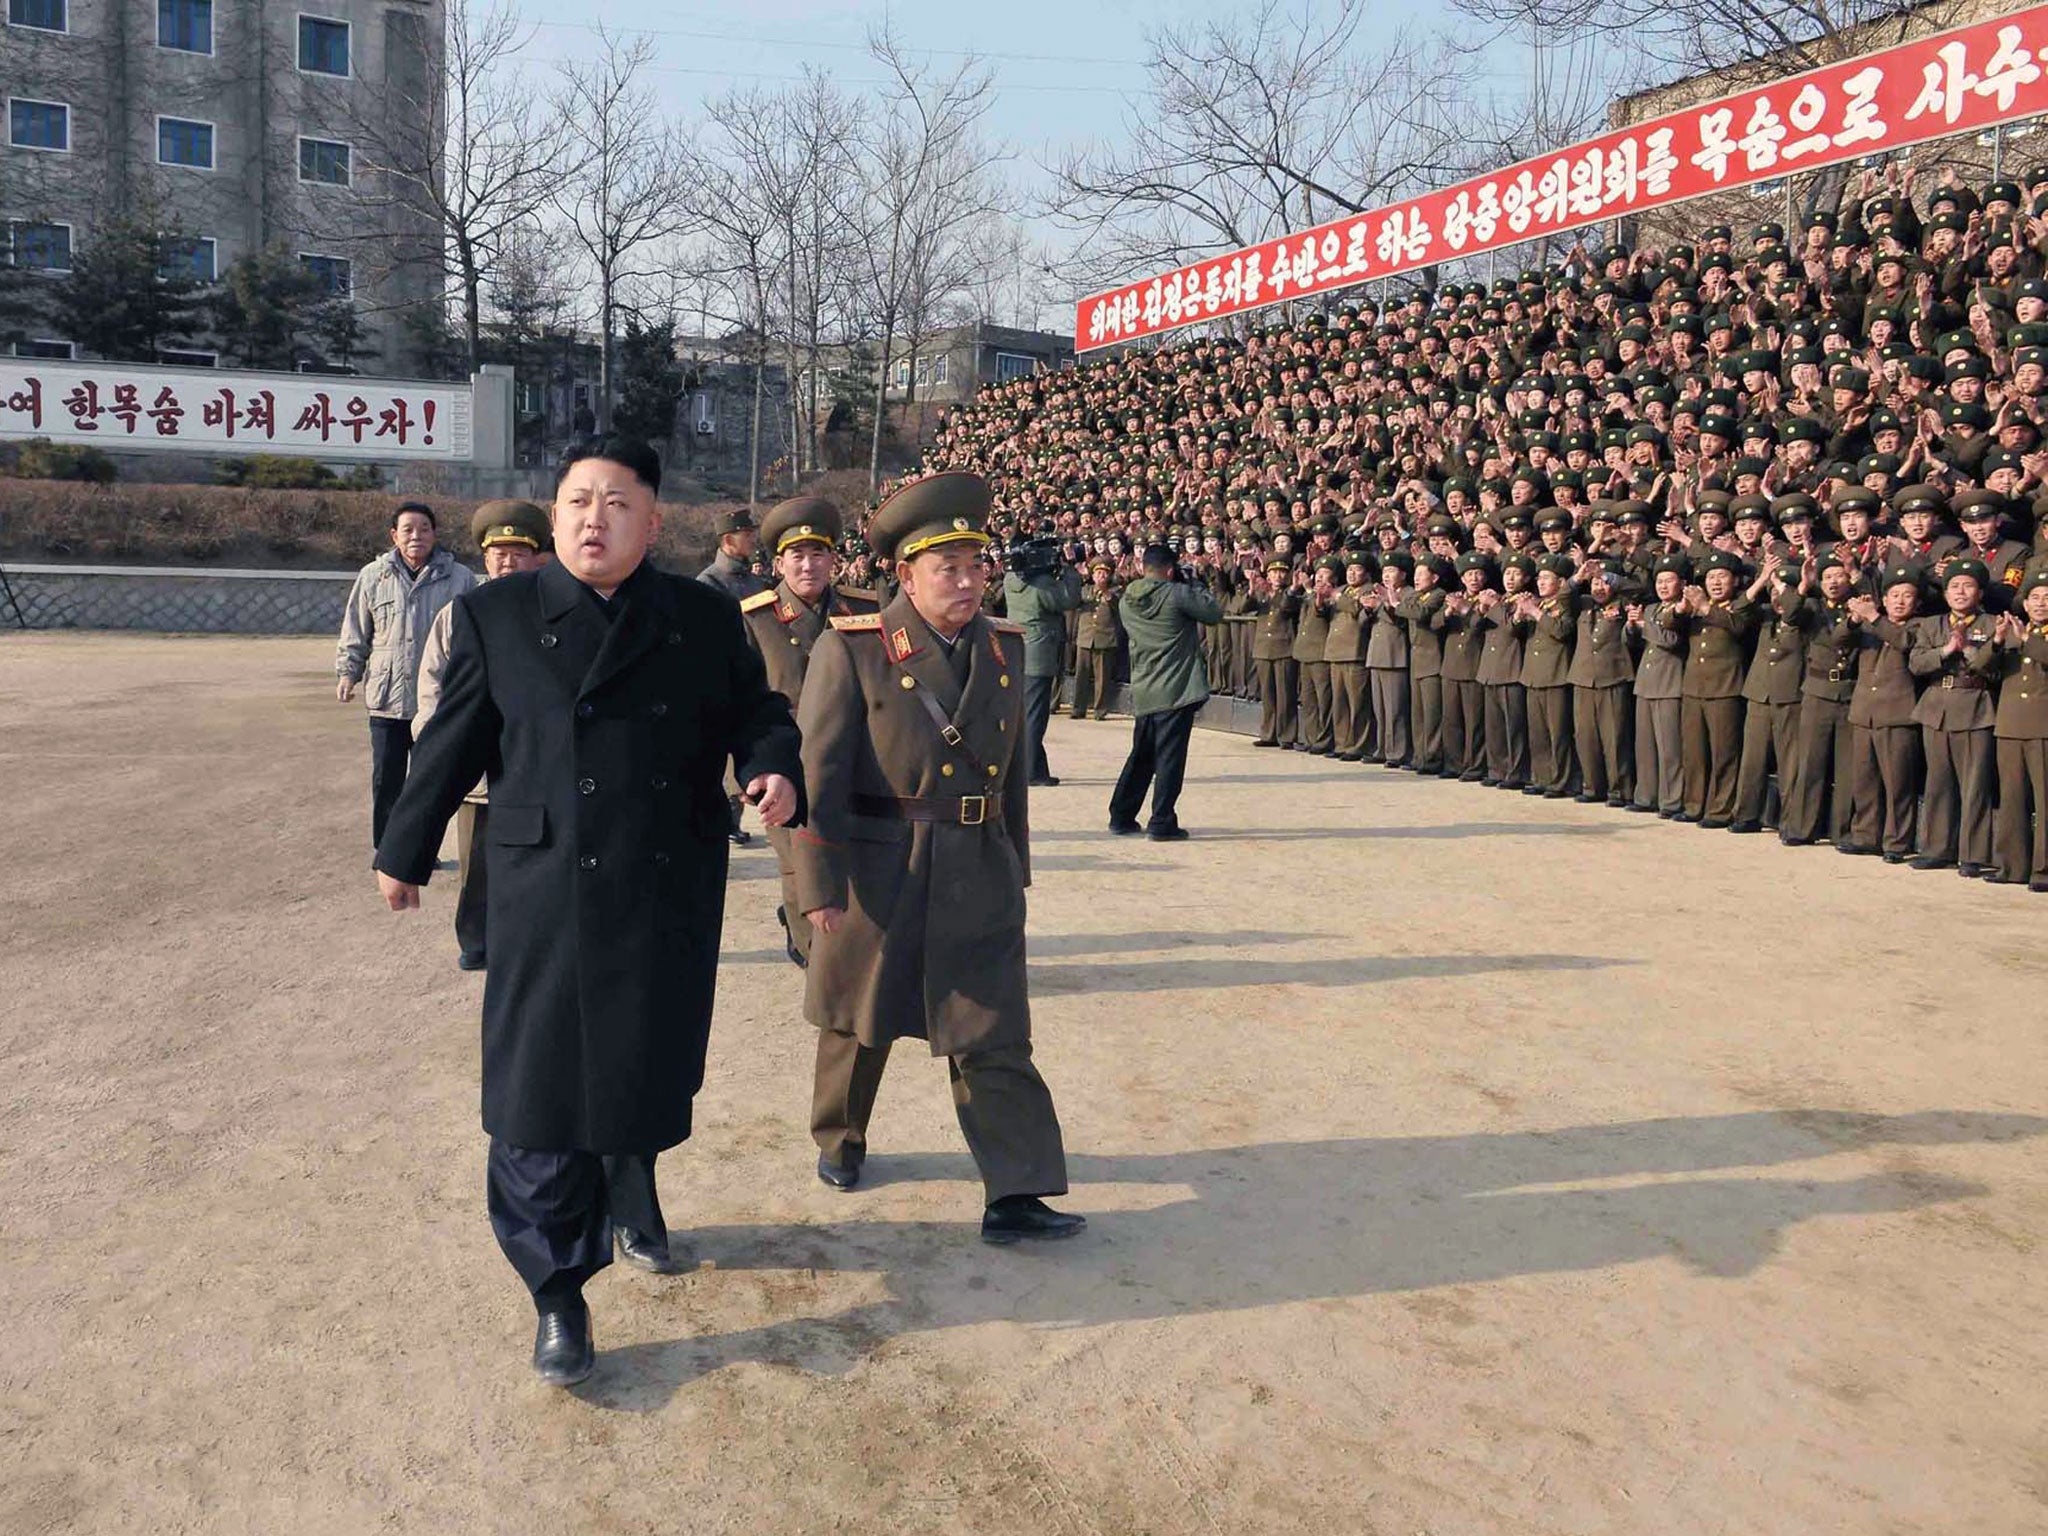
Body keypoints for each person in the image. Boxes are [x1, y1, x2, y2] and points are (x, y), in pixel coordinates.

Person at [372, 435, 803, 1387]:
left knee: (647, 1059)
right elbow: (450, 742)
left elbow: (757, 713)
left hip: (664, 881)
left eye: (615, 502)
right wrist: (404, 847)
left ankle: (632, 1174)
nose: (592, 518)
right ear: (554, 513)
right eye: (576, 500)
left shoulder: (701, 615)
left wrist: (773, 765)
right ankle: (558, 1292)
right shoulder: (498, 614)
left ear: (652, 522)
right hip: (543, 888)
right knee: (538, 1092)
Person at [792, 471, 1082, 1244]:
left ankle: (1015, 1193)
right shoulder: (851, 649)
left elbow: (1015, 771)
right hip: (881, 867)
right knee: (860, 1021)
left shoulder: (1004, 647)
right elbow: (818, 773)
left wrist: (1014, 865)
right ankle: (840, 1139)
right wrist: (816, 883)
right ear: (905, 574)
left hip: (974, 866)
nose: (966, 580)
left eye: (975, 565)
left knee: (993, 1030)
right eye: (946, 567)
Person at [737, 494, 880, 967]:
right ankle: (811, 952)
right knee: (801, 864)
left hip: (858, 760)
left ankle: (841, 944)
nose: (808, 565)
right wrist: (742, 774)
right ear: (778, 563)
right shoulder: (755, 619)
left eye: (818, 554)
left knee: (856, 860)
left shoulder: (865, 612)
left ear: (833, 559)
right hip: (789, 766)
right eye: (796, 556)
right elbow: (737, 703)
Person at [412, 500, 553, 971]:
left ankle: (530, 939)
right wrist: (439, 747)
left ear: (538, 558)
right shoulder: (459, 615)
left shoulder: (555, 612)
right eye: (499, 553)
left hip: (535, 767)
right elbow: (432, 684)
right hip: (477, 771)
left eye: (518, 552)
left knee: (539, 862)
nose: (508, 561)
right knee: (477, 865)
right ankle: (475, 939)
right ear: (485, 559)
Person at [336, 502, 476, 847]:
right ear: (394, 535)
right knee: (387, 781)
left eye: (424, 528)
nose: (417, 536)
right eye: (408, 529)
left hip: (438, 700)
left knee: (431, 781)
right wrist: (347, 672)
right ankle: (387, 850)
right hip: (388, 700)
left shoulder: (460, 578)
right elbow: (356, 629)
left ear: (435, 534)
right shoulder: (373, 576)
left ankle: (422, 851)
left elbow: (474, 637)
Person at [1109, 543, 1223, 840]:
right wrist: (1195, 581)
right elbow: (1213, 612)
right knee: (1170, 759)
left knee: (1142, 756)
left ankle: (1121, 815)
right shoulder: (1177, 593)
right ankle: (1161, 821)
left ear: (1142, 568)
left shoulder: (1126, 600)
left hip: (1146, 686)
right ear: (1170, 571)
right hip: (1176, 688)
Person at [1002, 542, 1083, 785]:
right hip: (1039, 653)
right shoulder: (1042, 586)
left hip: (1017, 649)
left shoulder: (1010, 580)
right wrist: (1069, 568)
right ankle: (1031, 773)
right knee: (1035, 716)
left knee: (1025, 713)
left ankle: (1037, 768)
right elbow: (1069, 599)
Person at [1069, 556, 1124, 720]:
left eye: (1104, 573)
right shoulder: (1085, 590)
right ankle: (1078, 708)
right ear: (1092, 575)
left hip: (1104, 638)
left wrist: (1105, 591)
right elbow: (1077, 601)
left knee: (1102, 678)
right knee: (1081, 675)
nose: (1101, 576)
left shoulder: (1116, 591)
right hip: (1086, 637)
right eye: (1098, 572)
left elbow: (1116, 606)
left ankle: (1100, 709)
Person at [697, 508, 767, 599]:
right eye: (747, 535)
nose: (753, 540)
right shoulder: (708, 583)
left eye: (752, 535)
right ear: (729, 540)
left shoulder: (755, 580)